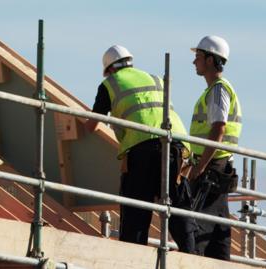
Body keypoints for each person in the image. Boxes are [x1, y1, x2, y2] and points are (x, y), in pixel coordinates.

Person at [86, 45, 196, 253]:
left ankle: (133, 258)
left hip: (142, 148)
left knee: (136, 209)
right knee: (178, 206)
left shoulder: (110, 84)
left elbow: (93, 123)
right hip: (176, 146)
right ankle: (193, 256)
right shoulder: (154, 78)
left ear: (109, 69)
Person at [188, 35, 242, 260]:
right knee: (219, 226)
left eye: (198, 57)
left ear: (210, 60)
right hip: (218, 164)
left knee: (198, 224)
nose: (194, 62)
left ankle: (192, 262)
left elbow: (218, 128)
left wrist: (200, 166)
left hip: (212, 165)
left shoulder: (219, 90)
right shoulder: (215, 90)